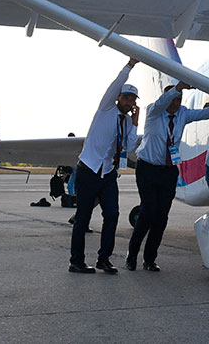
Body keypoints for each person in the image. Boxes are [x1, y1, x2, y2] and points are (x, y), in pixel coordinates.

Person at [125, 81, 209, 272]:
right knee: (147, 212)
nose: (177, 103)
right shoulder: (154, 111)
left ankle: (150, 259)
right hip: (147, 168)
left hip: (168, 171)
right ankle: (132, 255)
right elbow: (163, 101)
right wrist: (179, 86)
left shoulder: (183, 114)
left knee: (161, 217)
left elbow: (205, 113)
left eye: (179, 100)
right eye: (174, 99)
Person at [69, 61, 140, 274]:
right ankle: (76, 261)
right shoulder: (106, 108)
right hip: (89, 169)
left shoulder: (126, 122)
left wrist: (135, 123)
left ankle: (104, 259)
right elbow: (116, 83)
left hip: (108, 172)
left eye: (133, 100)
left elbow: (128, 146)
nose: (129, 102)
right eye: (126, 97)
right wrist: (130, 65)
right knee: (83, 217)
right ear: (119, 97)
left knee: (112, 215)